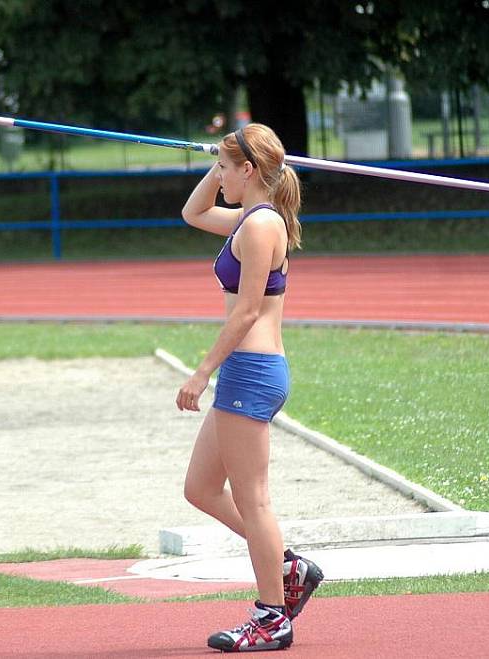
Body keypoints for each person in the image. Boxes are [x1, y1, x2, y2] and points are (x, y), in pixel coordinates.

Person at [177, 123, 323, 652]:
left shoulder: (261, 226)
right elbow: (193, 214)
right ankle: (288, 566)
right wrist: (211, 159)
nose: (218, 177)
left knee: (253, 500)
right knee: (200, 489)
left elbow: (246, 313)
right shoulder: (250, 217)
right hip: (247, 372)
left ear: (250, 171)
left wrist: (201, 372)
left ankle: (272, 615)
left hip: (251, 370)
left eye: (225, 167)